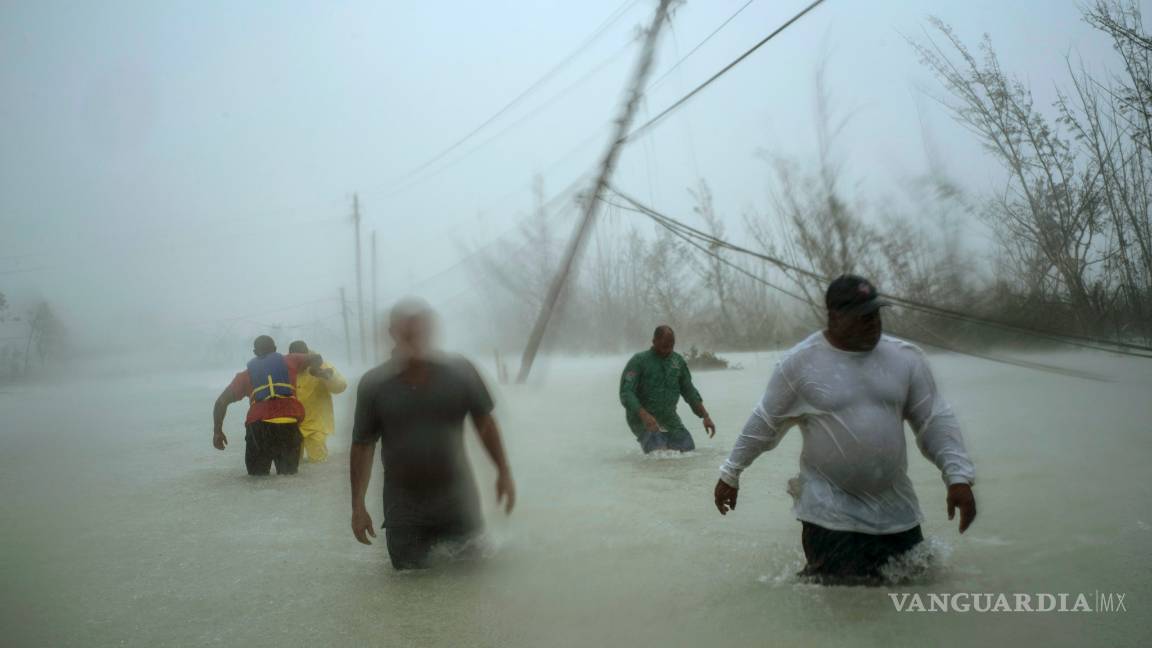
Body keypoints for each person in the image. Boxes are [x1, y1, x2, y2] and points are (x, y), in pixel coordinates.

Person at [713, 275, 977, 584]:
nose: (873, 323)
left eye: (876, 314)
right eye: (862, 317)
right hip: (829, 516)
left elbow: (934, 420)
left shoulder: (905, 358)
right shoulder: (800, 364)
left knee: (915, 597)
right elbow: (763, 424)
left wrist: (957, 477)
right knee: (843, 610)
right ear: (834, 316)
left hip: (896, 513)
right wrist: (731, 473)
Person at [349, 298, 515, 570]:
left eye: (421, 331)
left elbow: (485, 424)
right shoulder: (374, 384)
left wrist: (503, 472)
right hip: (404, 509)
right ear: (393, 334)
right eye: (407, 332)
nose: (415, 339)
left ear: (431, 333)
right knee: (408, 588)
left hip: (458, 501)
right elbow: (362, 446)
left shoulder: (460, 373)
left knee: (472, 584)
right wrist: (358, 505)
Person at [212, 335, 322, 475]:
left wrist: (217, 431)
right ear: (275, 349)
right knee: (289, 480)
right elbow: (317, 357)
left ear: (255, 353)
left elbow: (220, 402)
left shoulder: (244, 376)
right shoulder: (291, 360)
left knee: (257, 481)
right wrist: (316, 370)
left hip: (259, 429)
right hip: (288, 428)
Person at [619, 325, 716, 453]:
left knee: (688, 450)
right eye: (664, 346)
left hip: (669, 418)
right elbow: (626, 393)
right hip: (642, 420)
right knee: (659, 455)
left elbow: (689, 391)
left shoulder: (677, 362)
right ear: (654, 342)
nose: (668, 350)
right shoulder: (639, 361)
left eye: (671, 345)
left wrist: (705, 416)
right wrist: (644, 416)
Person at [287, 340, 347, 463]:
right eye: (295, 360)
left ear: (307, 356)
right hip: (292, 425)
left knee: (318, 464)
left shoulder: (321, 366)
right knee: (291, 467)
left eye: (301, 359)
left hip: (316, 426)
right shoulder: (286, 369)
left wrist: (327, 377)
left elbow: (341, 386)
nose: (299, 363)